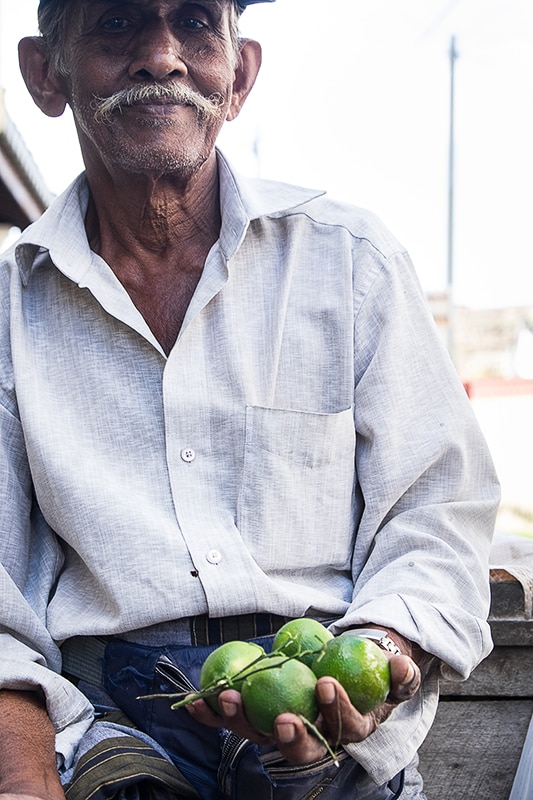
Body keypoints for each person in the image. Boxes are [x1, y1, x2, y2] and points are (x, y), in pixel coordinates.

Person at [0, 0, 499, 798]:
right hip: (111, 732)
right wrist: (23, 781)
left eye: (195, 22)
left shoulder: (349, 262)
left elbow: (436, 512)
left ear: (239, 75)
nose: (162, 56)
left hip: (334, 723)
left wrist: (378, 651)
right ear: (44, 73)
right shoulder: (9, 312)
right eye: (118, 23)